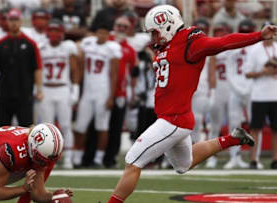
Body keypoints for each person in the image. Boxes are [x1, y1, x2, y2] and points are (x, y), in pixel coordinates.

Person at [107, 5, 277, 203]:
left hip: (174, 120)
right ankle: (233, 139)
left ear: (168, 26)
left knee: (133, 161)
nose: (153, 38)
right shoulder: (167, 46)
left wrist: (259, 35)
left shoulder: (190, 42)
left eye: (155, 32)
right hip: (173, 117)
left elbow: (223, 42)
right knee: (183, 165)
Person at [0, 8, 43, 128]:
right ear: (7, 21)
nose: (13, 23)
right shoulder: (0, 44)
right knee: (2, 128)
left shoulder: (30, 44)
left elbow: (37, 68)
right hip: (4, 93)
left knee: (26, 128)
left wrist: (39, 89)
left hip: (24, 93)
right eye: (11, 20)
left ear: (21, 22)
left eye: (16, 20)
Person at [73, 24, 121, 168]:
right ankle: (77, 158)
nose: (102, 35)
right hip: (88, 91)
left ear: (109, 34)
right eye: (100, 32)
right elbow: (79, 53)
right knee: (80, 126)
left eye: (105, 33)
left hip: (103, 91)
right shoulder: (88, 44)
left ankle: (98, 159)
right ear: (96, 32)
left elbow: (114, 74)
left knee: (102, 126)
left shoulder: (112, 48)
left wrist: (111, 96)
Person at [37, 19, 79, 169]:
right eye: (52, 31)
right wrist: (37, 89)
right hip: (47, 89)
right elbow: (37, 71)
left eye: (57, 31)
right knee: (46, 127)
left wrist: (75, 90)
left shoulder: (68, 47)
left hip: (63, 88)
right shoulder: (41, 47)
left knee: (66, 125)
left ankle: (68, 158)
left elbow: (75, 70)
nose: (54, 34)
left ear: (62, 33)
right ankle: (47, 158)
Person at [104, 15, 137, 168]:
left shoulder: (130, 49)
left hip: (120, 92)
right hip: (102, 90)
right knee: (101, 126)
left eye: (125, 27)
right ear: (114, 26)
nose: (121, 29)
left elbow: (132, 72)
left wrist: (133, 92)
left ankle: (110, 158)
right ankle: (97, 156)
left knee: (116, 127)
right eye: (119, 26)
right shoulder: (106, 42)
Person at [224, 19, 256, 169]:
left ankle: (254, 158)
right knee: (234, 123)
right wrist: (237, 88)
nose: (246, 35)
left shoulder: (257, 48)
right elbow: (229, 70)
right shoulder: (232, 47)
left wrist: (248, 87)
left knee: (255, 124)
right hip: (235, 90)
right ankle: (234, 157)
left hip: (252, 89)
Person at [245, 21, 277, 170]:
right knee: (255, 128)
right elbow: (248, 73)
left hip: (275, 94)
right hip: (259, 95)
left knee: (275, 129)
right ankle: (253, 159)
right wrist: (263, 72)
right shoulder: (254, 50)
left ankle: (275, 159)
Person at [205, 22, 232, 169]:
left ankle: (235, 156)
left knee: (235, 123)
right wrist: (212, 91)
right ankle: (211, 156)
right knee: (215, 125)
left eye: (222, 31)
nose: (220, 33)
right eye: (217, 31)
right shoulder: (213, 49)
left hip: (233, 87)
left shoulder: (232, 48)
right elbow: (211, 71)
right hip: (219, 87)